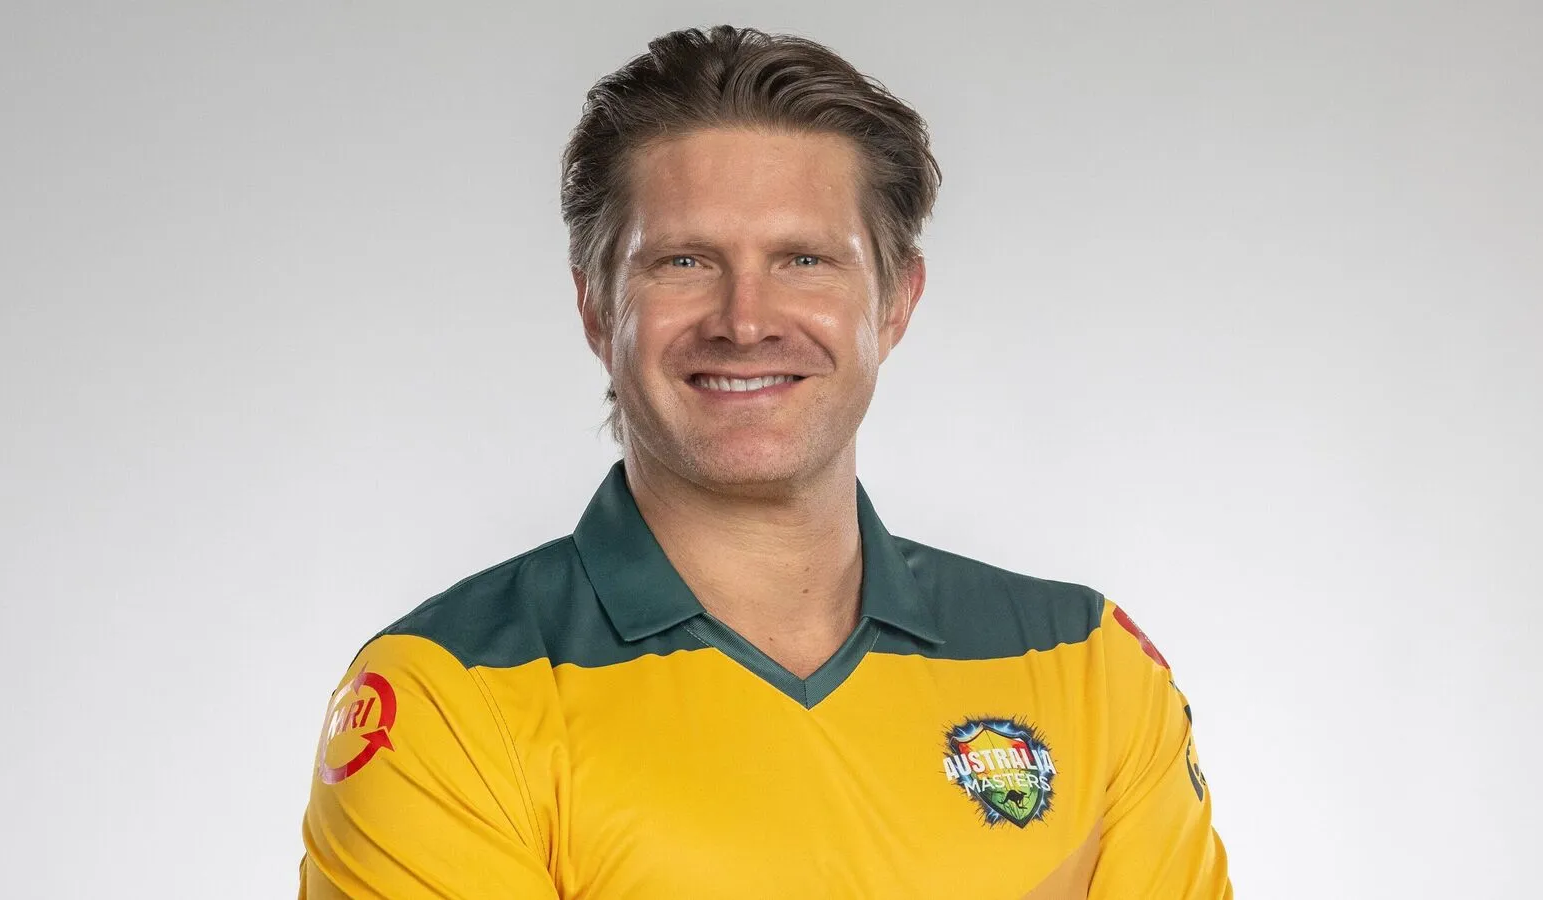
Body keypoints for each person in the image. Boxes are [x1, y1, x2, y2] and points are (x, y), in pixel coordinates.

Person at [299, 24, 1230, 899]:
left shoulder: (1088, 663)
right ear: (596, 309)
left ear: (896, 303)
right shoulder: (446, 692)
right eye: (684, 262)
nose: (744, 322)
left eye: (804, 260)